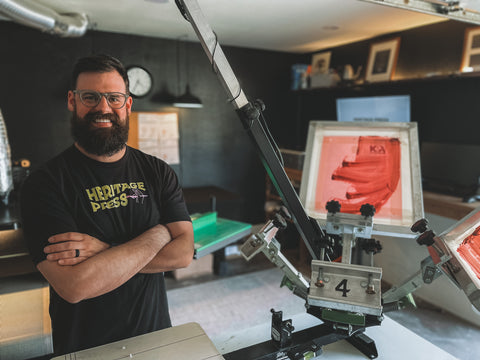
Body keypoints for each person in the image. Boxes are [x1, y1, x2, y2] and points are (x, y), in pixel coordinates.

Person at [20, 54, 194, 355]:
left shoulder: (157, 171)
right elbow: (75, 286)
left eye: (114, 98)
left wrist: (104, 251)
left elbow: (183, 253)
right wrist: (158, 234)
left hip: (155, 339)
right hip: (85, 349)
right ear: (73, 101)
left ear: (127, 104)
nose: (103, 108)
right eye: (91, 97)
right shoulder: (45, 184)